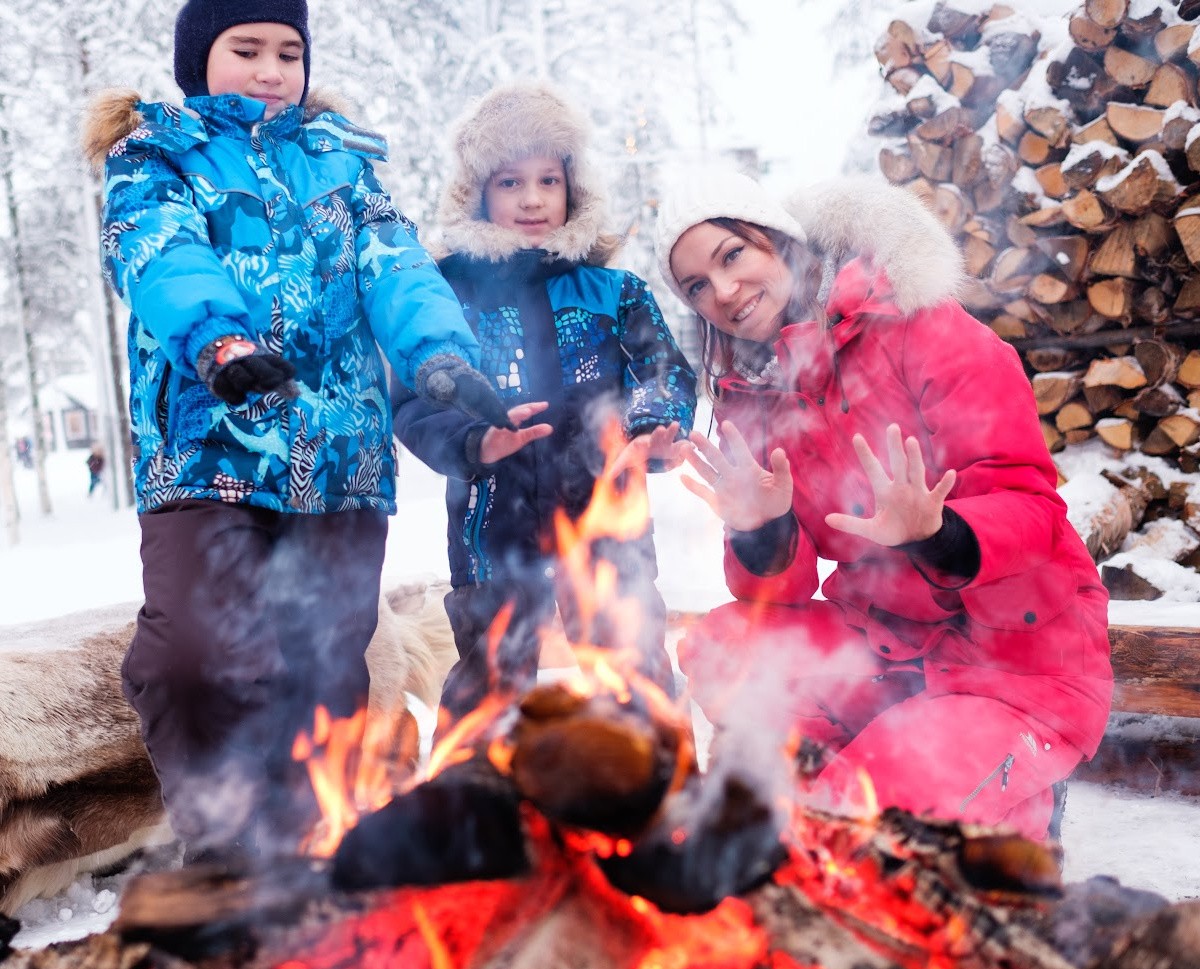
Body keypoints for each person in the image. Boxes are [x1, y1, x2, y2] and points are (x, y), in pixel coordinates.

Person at [80, 0, 511, 864]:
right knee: (189, 660)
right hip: (211, 453)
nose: (272, 70)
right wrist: (220, 341)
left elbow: (396, 263)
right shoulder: (155, 152)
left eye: (289, 52)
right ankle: (225, 845)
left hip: (341, 461)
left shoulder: (343, 163)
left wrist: (438, 353)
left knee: (323, 673)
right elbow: (157, 249)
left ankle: (307, 852)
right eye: (248, 50)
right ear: (201, 58)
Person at [654, 168, 1112, 841]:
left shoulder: (916, 323)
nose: (722, 291)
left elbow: (1032, 507)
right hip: (887, 642)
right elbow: (777, 593)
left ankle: (1015, 811)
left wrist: (937, 533)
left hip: (1015, 657)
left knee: (853, 818)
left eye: (732, 255)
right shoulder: (748, 394)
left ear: (777, 241)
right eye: (696, 285)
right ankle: (861, 765)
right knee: (725, 645)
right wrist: (761, 529)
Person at [393, 81, 697, 733]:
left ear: (572, 188)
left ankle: (663, 804)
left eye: (547, 180)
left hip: (606, 515)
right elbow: (415, 395)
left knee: (634, 665)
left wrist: (655, 425)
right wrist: (472, 443)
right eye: (510, 182)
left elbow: (664, 371)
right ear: (478, 191)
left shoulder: (615, 293)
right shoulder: (445, 295)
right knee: (490, 675)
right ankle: (467, 810)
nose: (532, 198)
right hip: (491, 525)